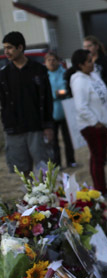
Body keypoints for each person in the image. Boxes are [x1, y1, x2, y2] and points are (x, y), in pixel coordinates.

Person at [66, 49, 107, 199]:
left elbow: (102, 100)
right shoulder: (78, 81)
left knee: (100, 157)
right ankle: (100, 190)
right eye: (89, 61)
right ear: (80, 65)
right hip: (91, 126)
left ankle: (101, 188)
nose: (92, 63)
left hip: (102, 123)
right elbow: (81, 106)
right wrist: (95, 122)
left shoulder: (93, 75)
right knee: (97, 157)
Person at [0, 32, 53, 176]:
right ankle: (28, 198)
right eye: (5, 48)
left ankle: (46, 198)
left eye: (10, 48)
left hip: (36, 128)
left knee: (44, 170)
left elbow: (47, 99)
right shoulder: (3, 75)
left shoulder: (38, 70)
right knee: (23, 172)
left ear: (20, 47)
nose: (6, 52)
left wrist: (48, 125)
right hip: (14, 130)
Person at [83, 35, 107, 163]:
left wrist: (100, 87)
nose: (87, 49)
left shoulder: (104, 60)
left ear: (96, 46)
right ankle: (102, 154)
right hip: (93, 99)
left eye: (90, 46)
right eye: (85, 47)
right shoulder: (85, 64)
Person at [44, 51, 76, 169]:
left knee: (68, 138)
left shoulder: (64, 73)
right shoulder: (44, 75)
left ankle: (71, 160)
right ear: (45, 62)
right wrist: (55, 94)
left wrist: (61, 93)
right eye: (49, 60)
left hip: (65, 111)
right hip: (51, 113)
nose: (51, 62)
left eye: (54, 60)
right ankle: (56, 163)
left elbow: (67, 89)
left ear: (58, 61)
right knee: (53, 141)